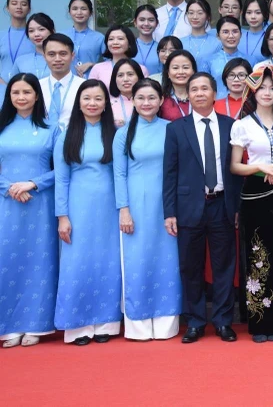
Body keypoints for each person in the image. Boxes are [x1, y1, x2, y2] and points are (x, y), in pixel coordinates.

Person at [163, 72, 243, 343]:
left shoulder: (231, 125)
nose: (199, 93)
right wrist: (169, 212)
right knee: (190, 267)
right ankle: (195, 321)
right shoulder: (176, 128)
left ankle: (223, 321)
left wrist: (237, 208)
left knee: (224, 267)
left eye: (204, 89)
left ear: (213, 93)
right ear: (188, 94)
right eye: (193, 89)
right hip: (188, 207)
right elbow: (169, 173)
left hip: (222, 205)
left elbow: (237, 171)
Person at [113, 78, 181, 340]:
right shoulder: (123, 133)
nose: (146, 103)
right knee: (138, 261)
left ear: (161, 100)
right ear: (132, 100)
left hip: (167, 205)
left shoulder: (172, 129)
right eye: (140, 98)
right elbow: (119, 174)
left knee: (168, 260)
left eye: (152, 97)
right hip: (136, 206)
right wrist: (124, 209)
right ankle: (138, 324)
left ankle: (166, 323)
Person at [230, 64, 273, 342]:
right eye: (262, 88)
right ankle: (259, 323)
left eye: (272, 87)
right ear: (253, 91)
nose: (267, 92)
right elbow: (234, 166)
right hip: (255, 193)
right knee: (257, 257)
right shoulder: (242, 125)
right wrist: (262, 168)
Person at [54, 79, 122, 344]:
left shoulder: (115, 134)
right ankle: (77, 325)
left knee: (108, 263)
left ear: (106, 104)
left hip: (109, 208)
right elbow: (61, 179)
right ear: (78, 103)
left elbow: (121, 174)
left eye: (98, 99)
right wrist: (63, 216)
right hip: (77, 208)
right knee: (77, 264)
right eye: (87, 98)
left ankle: (106, 322)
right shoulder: (67, 134)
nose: (92, 103)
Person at [0, 74, 59, 348]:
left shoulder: (52, 129)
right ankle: (8, 325)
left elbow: (62, 169)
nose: (21, 97)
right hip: (6, 204)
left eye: (27, 92)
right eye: (15, 92)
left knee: (39, 262)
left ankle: (36, 323)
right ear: (9, 96)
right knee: (7, 261)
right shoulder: (2, 127)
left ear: (37, 95)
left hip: (40, 204)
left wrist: (34, 183)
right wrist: (10, 188)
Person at [40, 34, 84, 129]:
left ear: (72, 56)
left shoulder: (84, 86)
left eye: (63, 54)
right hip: (41, 140)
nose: (57, 59)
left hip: (73, 139)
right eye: (51, 54)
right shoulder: (37, 87)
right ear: (44, 57)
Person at [203, 16, 247, 98]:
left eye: (235, 31)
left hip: (245, 107)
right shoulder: (208, 61)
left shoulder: (251, 60)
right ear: (218, 36)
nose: (231, 36)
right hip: (217, 107)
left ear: (241, 34)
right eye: (225, 32)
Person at [64, 0, 104, 76]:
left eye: (83, 9)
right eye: (75, 9)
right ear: (69, 12)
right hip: (66, 81)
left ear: (90, 13)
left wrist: (92, 64)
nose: (79, 12)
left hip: (92, 81)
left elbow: (110, 63)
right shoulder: (61, 36)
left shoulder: (99, 38)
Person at [1, 0, 34, 82]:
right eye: (14, 3)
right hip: (3, 86)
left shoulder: (36, 36)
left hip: (29, 86)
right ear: (7, 8)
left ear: (29, 9)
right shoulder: (1, 36)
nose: (19, 7)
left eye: (23, 4)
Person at [181, 0, 221, 69]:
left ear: (208, 16)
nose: (195, 17)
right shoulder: (180, 42)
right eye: (191, 13)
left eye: (200, 13)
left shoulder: (217, 44)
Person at [12, 13, 55, 79]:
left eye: (41, 29)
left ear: (52, 31)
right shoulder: (20, 61)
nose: (36, 34)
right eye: (31, 31)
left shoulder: (63, 59)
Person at [159, 50, 196, 121]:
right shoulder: (161, 99)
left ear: (193, 71)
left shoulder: (201, 96)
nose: (181, 72)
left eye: (185, 67)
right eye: (175, 68)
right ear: (168, 73)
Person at [109, 59, 144, 128]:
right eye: (120, 75)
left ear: (139, 77)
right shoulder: (107, 105)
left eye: (130, 74)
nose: (125, 79)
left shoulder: (148, 102)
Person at [132, 5, 161, 76]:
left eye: (151, 20)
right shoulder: (128, 47)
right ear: (135, 22)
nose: (146, 24)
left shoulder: (161, 48)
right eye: (142, 20)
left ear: (157, 23)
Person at [241, 0, 268, 66]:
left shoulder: (270, 37)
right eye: (249, 12)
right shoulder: (238, 37)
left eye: (258, 13)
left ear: (265, 15)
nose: (253, 17)